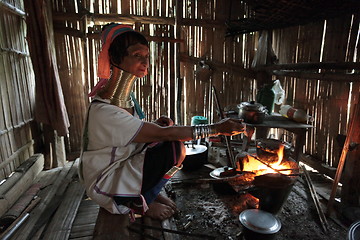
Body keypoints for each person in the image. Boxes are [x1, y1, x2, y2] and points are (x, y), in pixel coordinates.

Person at [79, 23, 246, 221]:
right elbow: (161, 134)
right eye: (137, 55)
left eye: (147, 57)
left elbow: (131, 132)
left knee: (163, 134)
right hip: (105, 183)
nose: (145, 62)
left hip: (119, 164)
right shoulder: (105, 110)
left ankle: (143, 191)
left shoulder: (121, 100)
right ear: (115, 58)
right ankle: (139, 204)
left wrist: (156, 125)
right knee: (175, 149)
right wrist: (216, 129)